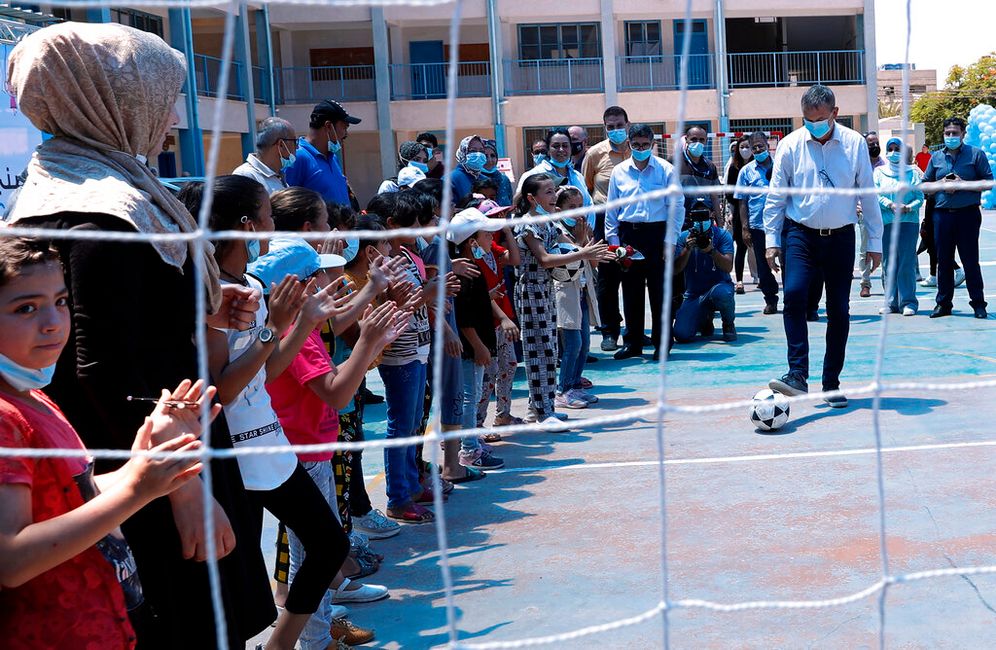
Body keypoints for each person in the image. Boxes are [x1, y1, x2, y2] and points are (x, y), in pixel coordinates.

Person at [6, 22, 276, 646]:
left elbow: (127, 327)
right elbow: (104, 366)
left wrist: (203, 310)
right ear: (111, 97)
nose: (170, 114)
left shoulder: (79, 187)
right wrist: (183, 491)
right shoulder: (102, 210)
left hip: (147, 459)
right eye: (158, 94)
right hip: (151, 469)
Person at [0, 237, 212, 650]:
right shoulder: (6, 418)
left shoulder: (34, 396)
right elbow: (11, 559)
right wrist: (136, 490)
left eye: (60, 302)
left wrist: (143, 463)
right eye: (26, 308)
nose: (53, 322)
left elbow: (73, 496)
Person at [192, 176, 356, 650]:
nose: (270, 224)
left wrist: (298, 323)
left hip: (268, 441)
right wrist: (274, 330)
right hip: (236, 450)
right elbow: (220, 388)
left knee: (327, 544)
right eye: (265, 215)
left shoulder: (249, 285)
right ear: (247, 224)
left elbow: (266, 371)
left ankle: (279, 645)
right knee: (241, 569)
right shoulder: (215, 295)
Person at [763, 84, 881, 408]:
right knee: (796, 295)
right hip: (800, 235)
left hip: (841, 237)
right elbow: (776, 198)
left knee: (838, 310)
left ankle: (831, 383)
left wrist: (875, 241)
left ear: (835, 114)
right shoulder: (789, 146)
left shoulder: (854, 144)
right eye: (807, 119)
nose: (814, 125)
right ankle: (797, 374)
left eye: (820, 118)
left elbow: (867, 196)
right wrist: (772, 240)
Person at [515, 174, 610, 427]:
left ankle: (541, 409)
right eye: (547, 192)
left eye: (553, 191)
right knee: (537, 353)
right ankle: (542, 412)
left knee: (548, 352)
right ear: (531, 198)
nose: (553, 196)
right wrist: (584, 251)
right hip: (531, 291)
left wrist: (586, 247)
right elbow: (544, 259)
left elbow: (570, 248)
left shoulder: (550, 222)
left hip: (546, 289)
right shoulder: (528, 224)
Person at [605, 123, 679, 361]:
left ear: (653, 144)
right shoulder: (619, 172)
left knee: (660, 294)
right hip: (629, 236)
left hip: (657, 235)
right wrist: (614, 242)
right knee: (631, 292)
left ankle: (662, 344)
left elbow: (676, 208)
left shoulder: (666, 170)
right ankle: (633, 343)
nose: (640, 148)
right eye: (635, 145)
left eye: (644, 145)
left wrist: (670, 241)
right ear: (629, 144)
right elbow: (612, 207)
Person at [447, 208, 509, 467]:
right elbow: (465, 317)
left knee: (471, 395)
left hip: (475, 346)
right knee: (469, 397)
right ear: (471, 241)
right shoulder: (467, 272)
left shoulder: (473, 267)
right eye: (486, 235)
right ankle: (469, 449)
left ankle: (470, 441)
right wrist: (479, 346)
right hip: (470, 348)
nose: (490, 240)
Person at [922, 116, 994, 319]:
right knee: (943, 261)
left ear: (963, 134)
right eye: (947, 133)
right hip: (942, 216)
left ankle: (978, 304)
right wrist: (942, 184)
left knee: (970, 261)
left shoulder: (976, 154)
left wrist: (963, 184)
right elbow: (924, 185)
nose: (951, 137)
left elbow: (988, 182)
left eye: (955, 133)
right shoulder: (936, 157)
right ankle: (943, 304)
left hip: (968, 215)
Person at [582, 105, 631, 352]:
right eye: (610, 127)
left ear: (628, 125)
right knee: (608, 280)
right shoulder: (594, 154)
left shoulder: (639, 151)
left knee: (634, 276)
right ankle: (610, 330)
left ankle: (633, 331)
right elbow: (587, 188)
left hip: (633, 221)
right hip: (604, 221)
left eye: (619, 125)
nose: (616, 130)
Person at [470, 199, 523, 428]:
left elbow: (516, 258)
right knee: (487, 375)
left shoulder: (492, 248)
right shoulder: (474, 258)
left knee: (509, 364)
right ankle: (477, 423)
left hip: (503, 319)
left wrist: (507, 230)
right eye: (491, 220)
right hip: (488, 322)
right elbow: (484, 296)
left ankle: (503, 413)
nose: (497, 224)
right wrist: (502, 316)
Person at [553, 187, 601, 409]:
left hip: (582, 291)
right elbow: (569, 262)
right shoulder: (557, 230)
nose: (577, 212)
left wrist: (589, 242)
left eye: (580, 206)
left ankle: (575, 384)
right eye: (571, 207)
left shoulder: (584, 229)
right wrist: (582, 242)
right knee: (572, 343)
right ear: (558, 209)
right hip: (565, 293)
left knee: (584, 343)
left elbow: (593, 263)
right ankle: (563, 389)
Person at [874, 138, 924, 316]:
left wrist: (908, 207)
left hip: (908, 223)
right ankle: (890, 302)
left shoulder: (913, 173)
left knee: (906, 262)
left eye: (897, 149)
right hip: (887, 222)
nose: (894, 152)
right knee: (888, 262)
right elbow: (876, 194)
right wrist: (890, 204)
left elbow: (920, 196)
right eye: (890, 148)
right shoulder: (879, 172)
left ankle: (908, 302)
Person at [673, 210, 737, 343]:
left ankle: (728, 323)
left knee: (723, 294)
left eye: (703, 215)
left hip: (719, 287)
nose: (700, 221)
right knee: (681, 334)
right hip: (693, 294)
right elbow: (676, 270)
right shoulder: (683, 237)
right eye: (696, 216)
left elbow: (728, 267)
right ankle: (705, 318)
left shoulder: (723, 235)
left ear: (711, 215)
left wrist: (711, 251)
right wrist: (687, 249)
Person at [735, 131, 780, 315]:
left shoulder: (780, 167)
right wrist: (745, 227)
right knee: (763, 266)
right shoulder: (746, 171)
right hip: (757, 226)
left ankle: (794, 301)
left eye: (761, 145)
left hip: (781, 225)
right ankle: (771, 299)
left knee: (789, 264)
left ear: (768, 146)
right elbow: (741, 201)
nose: (758, 149)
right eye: (754, 148)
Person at [285, 99, 361, 207]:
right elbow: (287, 206)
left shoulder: (333, 158)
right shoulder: (298, 157)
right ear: (329, 126)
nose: (346, 134)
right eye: (344, 127)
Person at [517, 128, 595, 228]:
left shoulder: (578, 176)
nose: (561, 149)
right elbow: (521, 206)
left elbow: (589, 206)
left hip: (583, 237)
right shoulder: (533, 175)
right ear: (548, 151)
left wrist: (587, 233)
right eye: (556, 146)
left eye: (565, 146)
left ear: (571, 149)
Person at [233, 117, 297, 195]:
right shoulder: (245, 176)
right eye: (294, 141)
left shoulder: (278, 176)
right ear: (281, 144)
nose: (297, 147)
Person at [856, 131, 885, 298]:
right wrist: (855, 206)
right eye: (870, 144)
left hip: (884, 212)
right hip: (865, 213)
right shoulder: (860, 165)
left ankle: (886, 282)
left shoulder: (885, 165)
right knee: (865, 249)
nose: (874, 146)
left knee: (885, 248)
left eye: (876, 143)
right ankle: (865, 283)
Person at [725, 135, 753, 294]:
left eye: (747, 147)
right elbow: (729, 193)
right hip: (739, 213)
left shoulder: (758, 166)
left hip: (757, 211)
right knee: (741, 247)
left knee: (760, 248)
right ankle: (740, 280)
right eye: (742, 147)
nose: (745, 150)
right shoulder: (733, 167)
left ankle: (763, 278)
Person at [448, 135, 489, 203]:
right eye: (473, 150)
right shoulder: (451, 179)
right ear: (463, 153)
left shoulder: (485, 179)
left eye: (481, 151)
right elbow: (447, 209)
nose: (478, 154)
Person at [481, 138, 514, 206]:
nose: (489, 160)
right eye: (485, 156)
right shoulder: (473, 179)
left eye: (493, 156)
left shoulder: (504, 180)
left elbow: (510, 203)